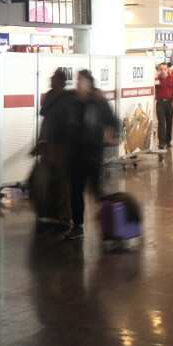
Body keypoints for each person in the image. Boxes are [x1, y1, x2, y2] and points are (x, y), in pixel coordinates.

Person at [61, 70, 120, 240]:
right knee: (76, 191)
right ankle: (78, 226)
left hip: (92, 153)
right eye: (77, 81)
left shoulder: (98, 102)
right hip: (75, 155)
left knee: (96, 190)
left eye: (81, 81)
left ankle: (109, 223)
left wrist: (110, 135)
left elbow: (113, 121)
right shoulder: (72, 102)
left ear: (89, 83)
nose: (78, 84)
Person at [35, 68, 74, 235]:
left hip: (60, 149)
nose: (51, 80)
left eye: (54, 78)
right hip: (48, 147)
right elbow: (45, 121)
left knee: (62, 184)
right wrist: (41, 142)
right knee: (46, 182)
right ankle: (48, 216)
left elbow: (68, 125)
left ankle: (63, 218)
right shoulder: (50, 96)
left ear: (60, 81)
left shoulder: (67, 99)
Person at [154, 63, 173, 150]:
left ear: (167, 69)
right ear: (159, 70)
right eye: (161, 69)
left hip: (169, 102)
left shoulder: (172, 78)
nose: (163, 71)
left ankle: (168, 141)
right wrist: (155, 77)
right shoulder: (157, 79)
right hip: (160, 103)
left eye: (164, 69)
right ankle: (161, 142)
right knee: (161, 122)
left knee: (169, 122)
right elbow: (152, 88)